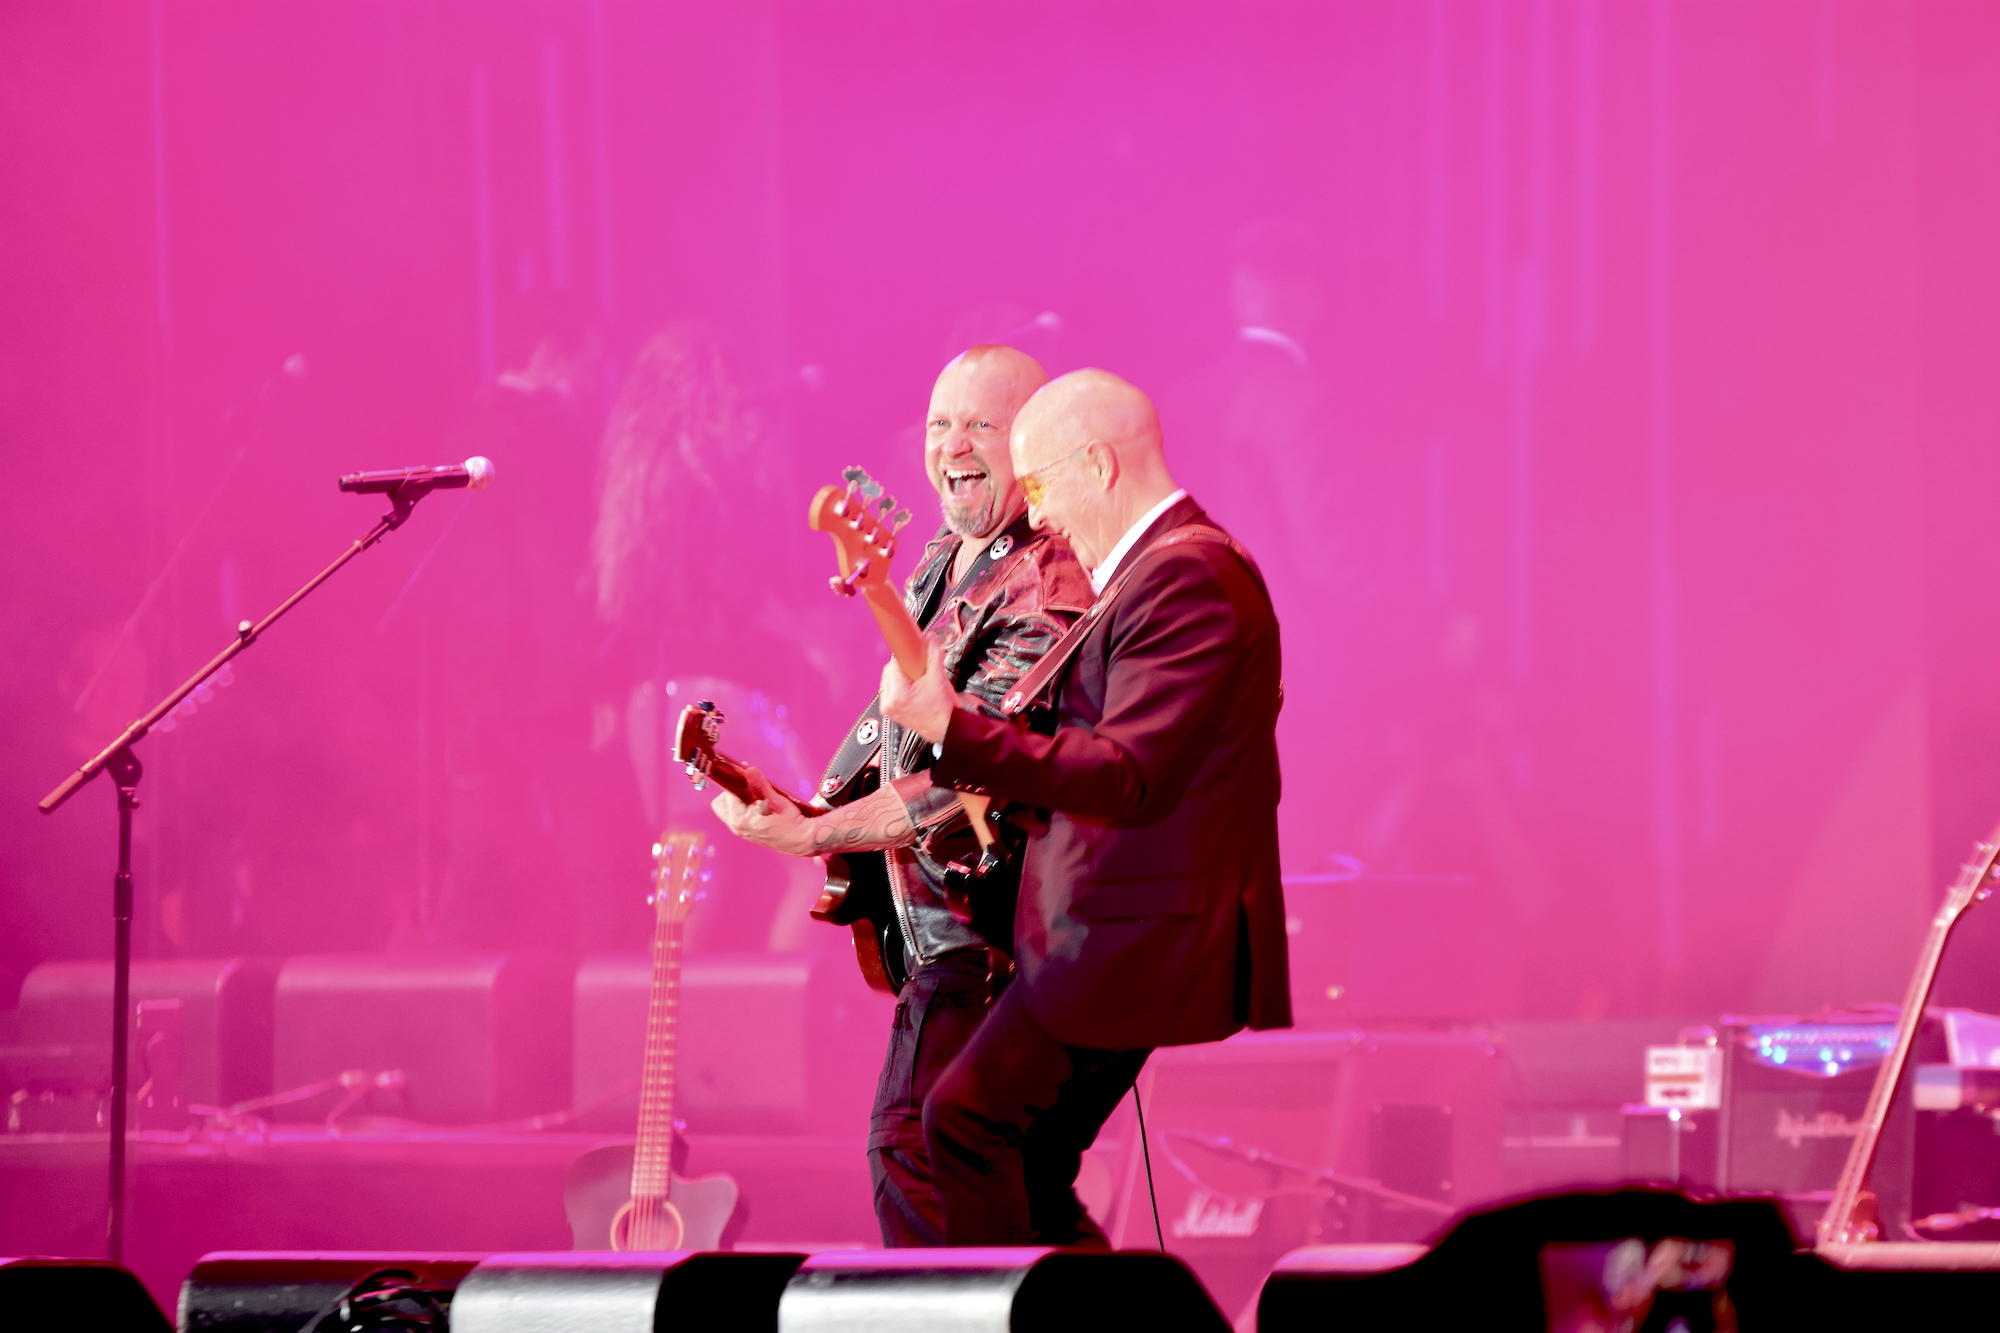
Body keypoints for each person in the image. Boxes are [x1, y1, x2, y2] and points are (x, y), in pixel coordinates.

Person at [879, 367, 1291, 1245]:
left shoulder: (1188, 578)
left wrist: (956, 733)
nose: (1038, 511)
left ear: (1098, 464)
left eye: (1039, 482)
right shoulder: (1152, 573)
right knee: (1018, 1159)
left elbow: (1129, 773)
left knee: (961, 1127)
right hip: (1105, 932)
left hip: (1133, 939)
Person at [708, 344, 1093, 1244]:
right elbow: (893, 752)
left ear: (1031, 446)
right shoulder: (938, 564)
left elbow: (972, 774)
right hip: (942, 932)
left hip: (995, 938)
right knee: (1017, 1182)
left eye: (981, 425)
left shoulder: (1044, 582)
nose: (954, 444)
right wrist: (798, 809)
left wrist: (811, 840)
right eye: (939, 423)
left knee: (911, 1145)